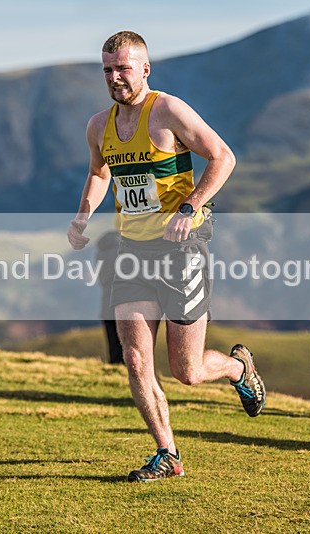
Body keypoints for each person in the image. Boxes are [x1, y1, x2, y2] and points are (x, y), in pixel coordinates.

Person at [67, 31, 266, 482]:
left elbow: (223, 157)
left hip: (182, 249)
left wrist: (190, 206)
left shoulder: (168, 111)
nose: (115, 78)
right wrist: (81, 218)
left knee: (188, 371)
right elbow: (99, 173)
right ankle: (167, 453)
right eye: (107, 70)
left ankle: (239, 367)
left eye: (122, 68)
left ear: (144, 69)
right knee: (135, 358)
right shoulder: (98, 125)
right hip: (132, 250)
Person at [96, 230, 124, 364]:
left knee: (113, 343)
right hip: (125, 301)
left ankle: (114, 368)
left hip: (106, 302)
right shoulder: (124, 250)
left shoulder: (100, 253)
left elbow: (101, 278)